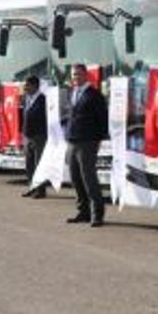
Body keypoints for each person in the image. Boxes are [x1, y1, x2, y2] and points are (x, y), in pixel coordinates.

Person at [65, 63, 108, 227]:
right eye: (73, 75)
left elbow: (102, 120)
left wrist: (98, 140)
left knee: (89, 179)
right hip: (72, 141)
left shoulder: (94, 95)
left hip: (87, 142)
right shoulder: (73, 93)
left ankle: (97, 214)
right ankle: (83, 212)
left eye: (78, 74)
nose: (75, 78)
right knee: (75, 178)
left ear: (86, 75)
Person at [21, 75, 47, 199]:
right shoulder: (27, 98)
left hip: (39, 136)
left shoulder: (43, 100)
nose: (25, 88)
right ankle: (32, 187)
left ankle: (40, 190)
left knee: (39, 164)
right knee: (29, 164)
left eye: (27, 85)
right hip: (27, 136)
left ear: (35, 86)